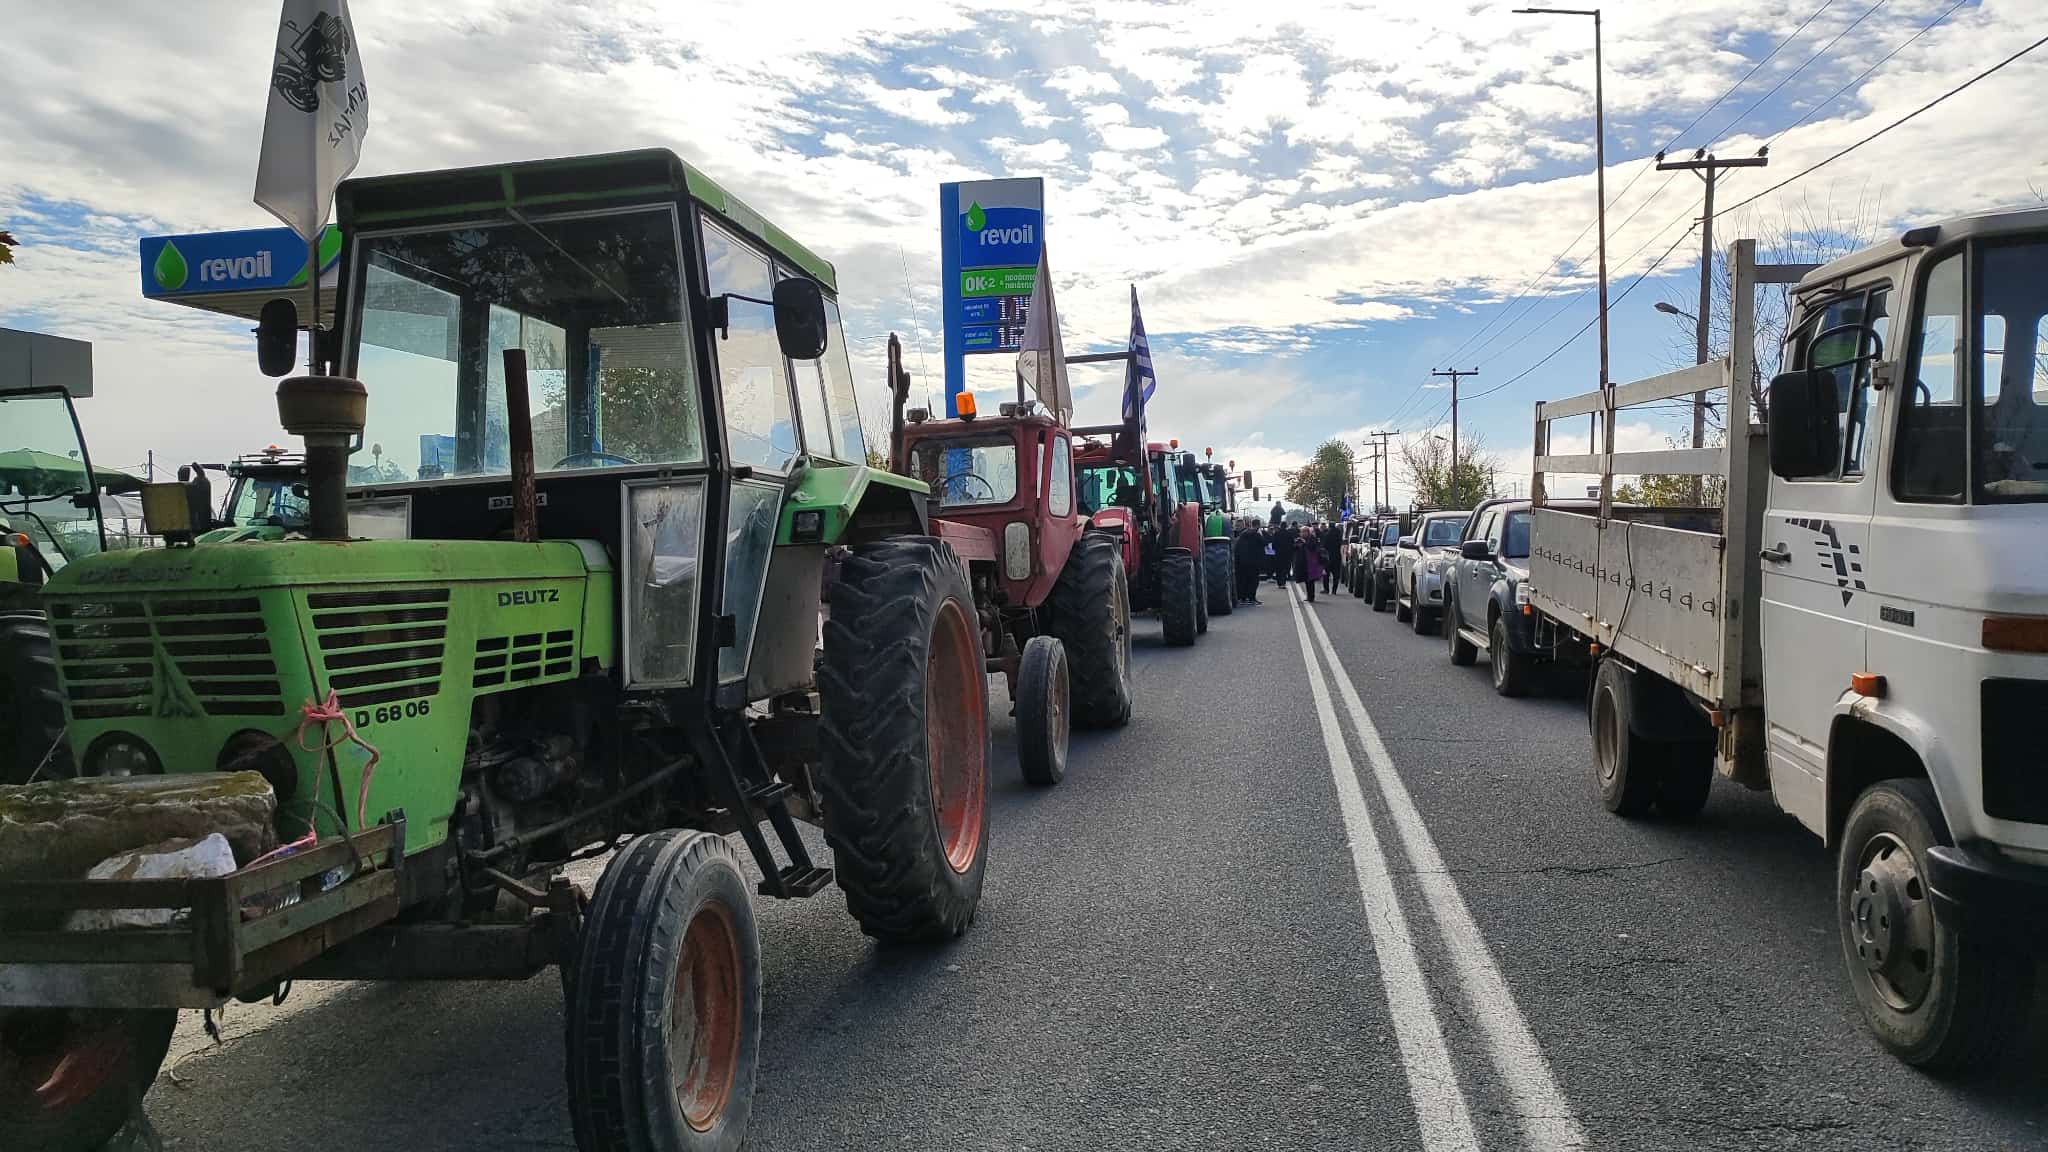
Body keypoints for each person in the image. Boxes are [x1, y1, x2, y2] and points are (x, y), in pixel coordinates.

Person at [1233, 518, 1264, 604]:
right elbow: (1264, 543)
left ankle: (1242, 598)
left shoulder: (1241, 536)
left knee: (1242, 580)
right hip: (1254, 562)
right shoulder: (1256, 534)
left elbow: (1236, 549)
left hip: (1242, 562)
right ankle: (1251, 598)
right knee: (1253, 580)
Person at [1292, 524, 1323, 601]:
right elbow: (1294, 548)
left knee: (1310, 581)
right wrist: (1297, 545)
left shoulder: (1312, 538)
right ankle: (1309, 596)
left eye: (1304, 532)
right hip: (1303, 562)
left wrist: (1304, 542)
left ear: (1308, 532)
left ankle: (1311, 597)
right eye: (1301, 532)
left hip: (1310, 562)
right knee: (1306, 580)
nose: (1302, 534)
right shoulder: (1300, 539)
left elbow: (1312, 547)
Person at [1319, 521, 1341, 595]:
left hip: (1328, 556)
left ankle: (1326, 589)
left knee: (1326, 574)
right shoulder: (1339, 534)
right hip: (1337, 556)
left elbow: (1324, 545)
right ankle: (1334, 590)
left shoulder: (1327, 534)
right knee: (1336, 575)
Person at [1270, 523, 1293, 588]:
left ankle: (1279, 583)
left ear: (1280, 526)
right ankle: (1283, 582)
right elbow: (1292, 543)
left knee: (1278, 569)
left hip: (1278, 554)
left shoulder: (1276, 534)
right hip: (1287, 554)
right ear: (1286, 526)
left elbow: (1273, 545)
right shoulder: (1289, 534)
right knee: (1285, 569)